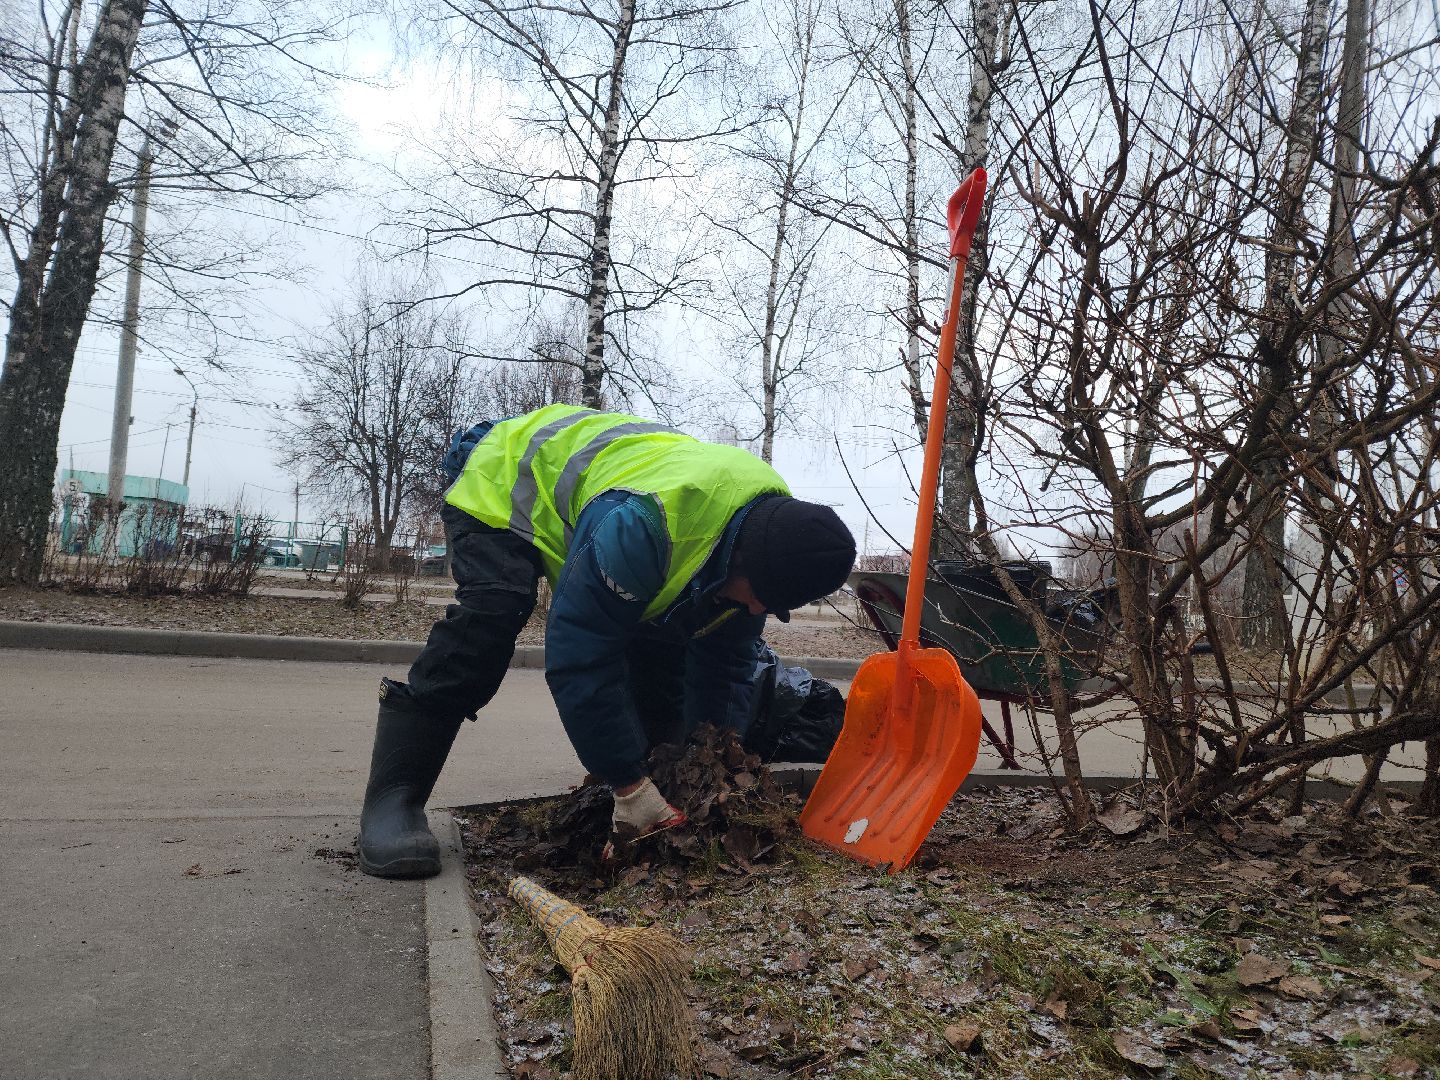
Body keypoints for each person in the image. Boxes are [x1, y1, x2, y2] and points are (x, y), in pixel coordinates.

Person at [358, 404, 857, 878]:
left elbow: (723, 664)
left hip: (619, 505)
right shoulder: (643, 525)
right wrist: (627, 781)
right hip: (505, 476)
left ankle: (652, 801)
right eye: (762, 599)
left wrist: (710, 766)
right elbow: (582, 656)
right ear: (745, 562)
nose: (758, 612)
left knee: (664, 652)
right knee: (490, 617)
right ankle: (394, 798)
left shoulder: (774, 534)